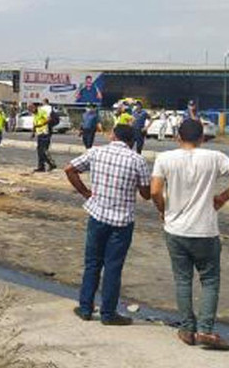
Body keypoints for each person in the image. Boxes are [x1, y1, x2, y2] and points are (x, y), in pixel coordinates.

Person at [150, 119, 229, 349]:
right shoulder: (214, 157)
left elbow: (155, 191)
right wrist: (223, 197)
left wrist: (163, 210)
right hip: (205, 230)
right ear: (202, 138)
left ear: (178, 137)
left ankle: (187, 329)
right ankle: (205, 330)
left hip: (175, 229)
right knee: (210, 280)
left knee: (182, 280)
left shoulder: (165, 158)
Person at [64, 124, 151, 325]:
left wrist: (86, 193)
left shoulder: (96, 152)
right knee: (113, 267)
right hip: (122, 222)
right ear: (132, 141)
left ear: (113, 136)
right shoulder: (137, 160)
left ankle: (85, 308)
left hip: (98, 216)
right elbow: (146, 194)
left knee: (92, 263)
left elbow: (69, 169)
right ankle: (108, 313)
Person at [30, 102, 56, 172]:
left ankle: (51, 164)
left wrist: (41, 124)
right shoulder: (35, 115)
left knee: (43, 150)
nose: (31, 110)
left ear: (36, 107)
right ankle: (41, 167)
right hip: (39, 134)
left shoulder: (42, 112)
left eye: (32, 108)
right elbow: (35, 124)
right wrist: (33, 133)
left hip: (45, 133)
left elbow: (49, 119)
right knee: (39, 151)